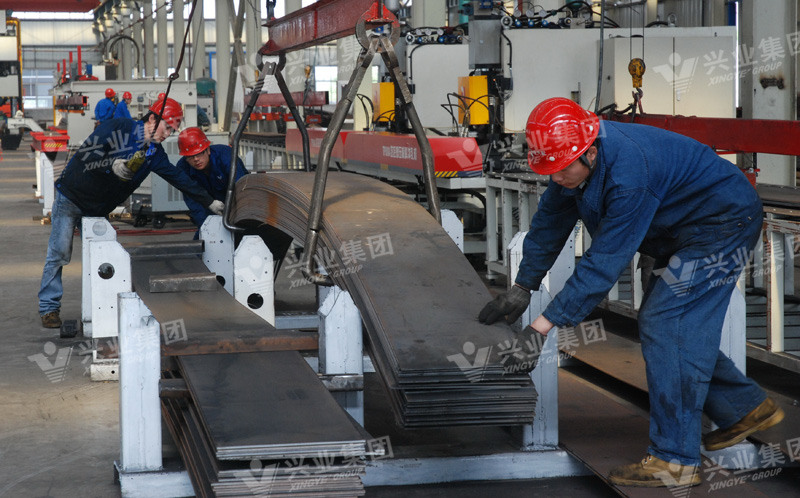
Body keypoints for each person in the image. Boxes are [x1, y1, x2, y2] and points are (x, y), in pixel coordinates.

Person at [478, 98, 784, 488]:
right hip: (680, 228)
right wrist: (523, 286)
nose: (556, 178)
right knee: (672, 328)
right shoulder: (570, 164)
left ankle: (674, 460)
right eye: (549, 170)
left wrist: (540, 329)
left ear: (590, 153)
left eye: (562, 169)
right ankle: (745, 408)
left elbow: (603, 263)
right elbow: (549, 224)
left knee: (666, 323)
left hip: (721, 224)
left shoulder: (629, 174)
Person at [38, 97, 225, 329]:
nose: (168, 134)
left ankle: (102, 309)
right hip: (71, 197)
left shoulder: (154, 153)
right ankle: (49, 308)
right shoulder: (118, 127)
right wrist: (112, 164)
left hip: (97, 210)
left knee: (101, 258)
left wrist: (209, 202)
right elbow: (88, 154)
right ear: (153, 119)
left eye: (172, 130)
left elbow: (179, 179)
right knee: (59, 253)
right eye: (167, 127)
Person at [175, 127, 248, 231]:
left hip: (236, 208)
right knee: (205, 237)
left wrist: (239, 220)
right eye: (190, 156)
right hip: (209, 210)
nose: (196, 159)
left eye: (199, 153)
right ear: (185, 158)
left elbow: (241, 190)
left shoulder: (227, 157)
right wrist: (207, 228)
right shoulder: (183, 168)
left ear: (208, 150)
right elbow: (194, 202)